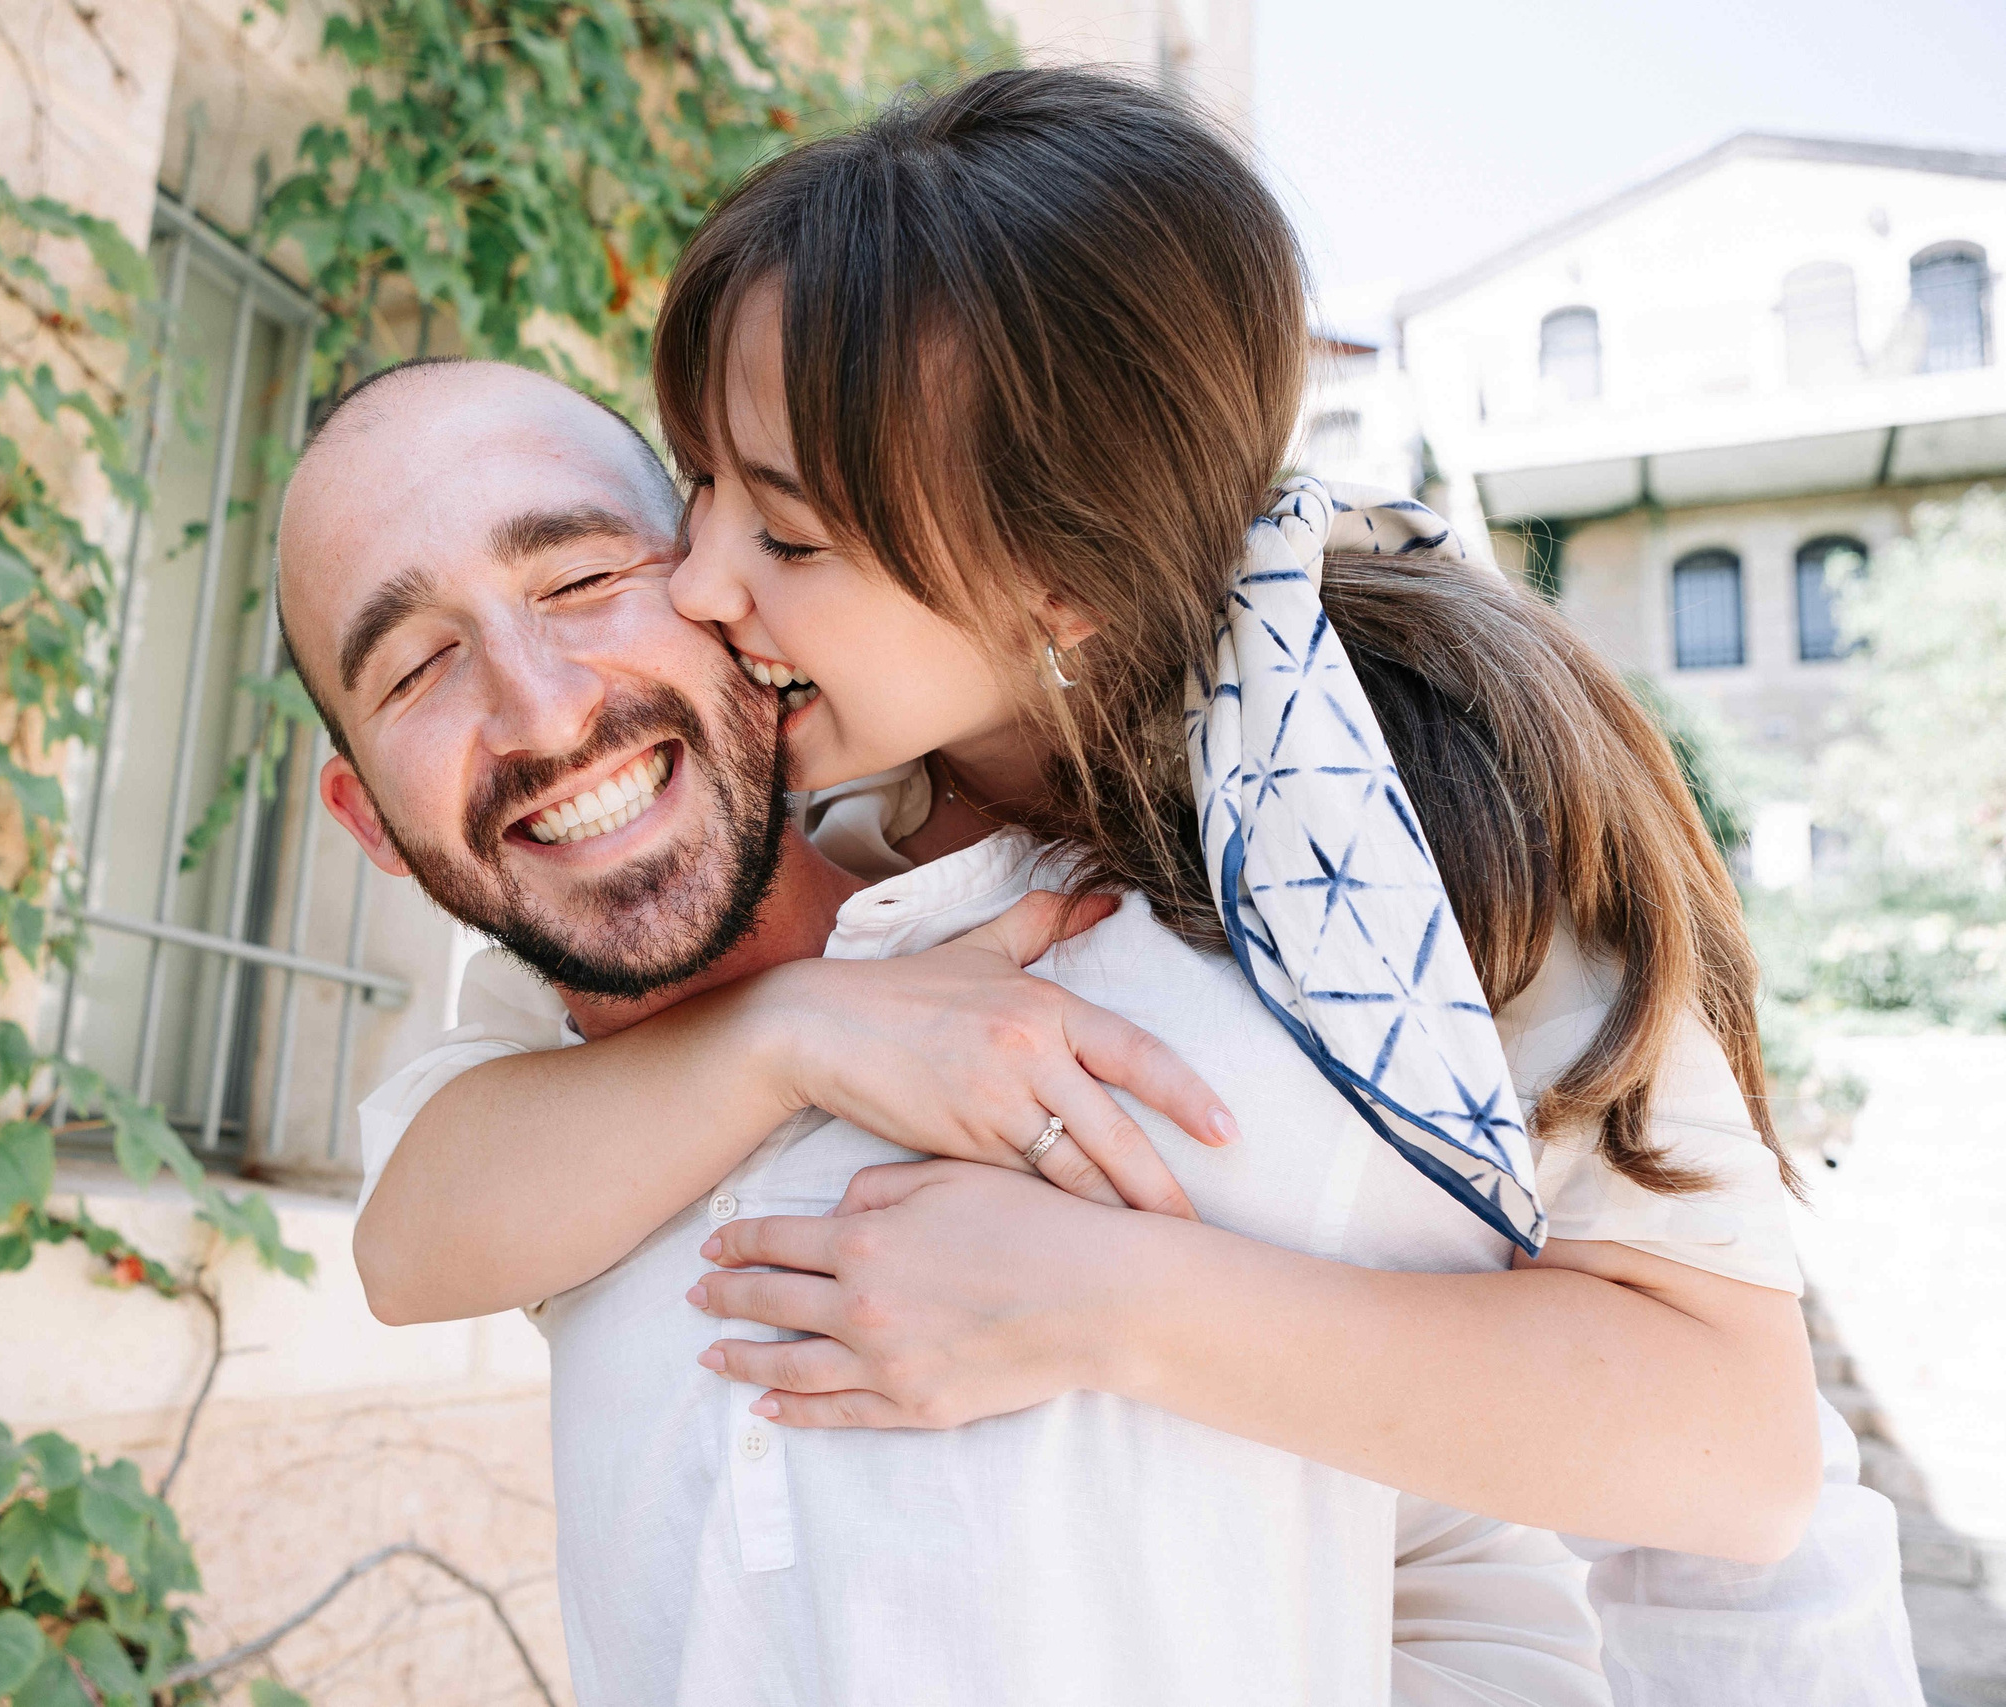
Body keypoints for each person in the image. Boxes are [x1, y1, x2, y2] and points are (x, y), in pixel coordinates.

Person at [344, 68, 1920, 1707]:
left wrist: (1105, 1301)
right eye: (699, 482)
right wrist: (793, 1031)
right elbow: (427, 1220)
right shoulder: (778, 788)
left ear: (1061, 581)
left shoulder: (1424, 802)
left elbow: (1733, 1454)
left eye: (792, 537)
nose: (698, 575)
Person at [278, 359, 1614, 1705]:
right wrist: (792, 1036)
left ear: (721, 597)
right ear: (363, 819)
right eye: (420, 665)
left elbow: (1500, 1556)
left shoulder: (1140, 954)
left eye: (581, 582)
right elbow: (403, 1244)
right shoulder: (535, 1107)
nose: (543, 705)